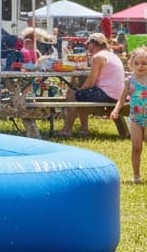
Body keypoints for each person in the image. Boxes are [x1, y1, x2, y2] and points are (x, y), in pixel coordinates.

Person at [58, 31, 126, 138]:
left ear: (93, 44)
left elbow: (91, 81)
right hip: (118, 95)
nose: (87, 47)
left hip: (107, 94)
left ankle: (67, 130)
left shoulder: (97, 57)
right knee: (81, 95)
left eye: (88, 44)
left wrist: (80, 90)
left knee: (72, 94)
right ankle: (84, 129)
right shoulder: (111, 55)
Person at [111, 46, 147, 183]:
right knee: (137, 147)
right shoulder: (129, 81)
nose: (140, 66)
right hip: (135, 118)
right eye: (137, 63)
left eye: (144, 63)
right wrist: (116, 110)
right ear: (131, 64)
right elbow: (122, 99)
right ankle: (136, 176)